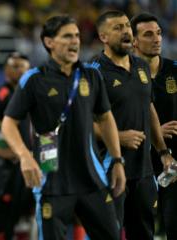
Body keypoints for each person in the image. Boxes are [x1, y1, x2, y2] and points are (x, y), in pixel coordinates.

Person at [1, 15, 126, 240]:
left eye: (77, 36)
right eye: (67, 36)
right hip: (51, 182)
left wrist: (117, 160)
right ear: (49, 42)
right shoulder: (34, 79)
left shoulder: (91, 75)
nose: (75, 41)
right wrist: (25, 156)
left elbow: (106, 118)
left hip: (92, 179)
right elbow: (9, 122)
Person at [93, 10, 174, 239]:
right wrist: (117, 137)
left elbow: (149, 110)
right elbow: (80, 122)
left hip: (144, 172)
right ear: (103, 37)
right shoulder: (94, 72)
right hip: (108, 169)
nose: (126, 31)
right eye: (118, 28)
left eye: (127, 26)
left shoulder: (140, 66)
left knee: (145, 235)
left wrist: (163, 152)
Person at [131, 12, 177, 239]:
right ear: (134, 41)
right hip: (138, 161)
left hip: (172, 161)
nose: (157, 39)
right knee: (141, 228)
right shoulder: (125, 75)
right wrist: (155, 131)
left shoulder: (174, 70)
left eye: (158, 33)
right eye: (148, 34)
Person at [0, 52, 34, 239]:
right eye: (15, 66)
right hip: (8, 166)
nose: (20, 70)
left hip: (29, 162)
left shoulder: (32, 94)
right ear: (6, 70)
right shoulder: (2, 94)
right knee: (4, 215)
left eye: (24, 66)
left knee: (26, 212)